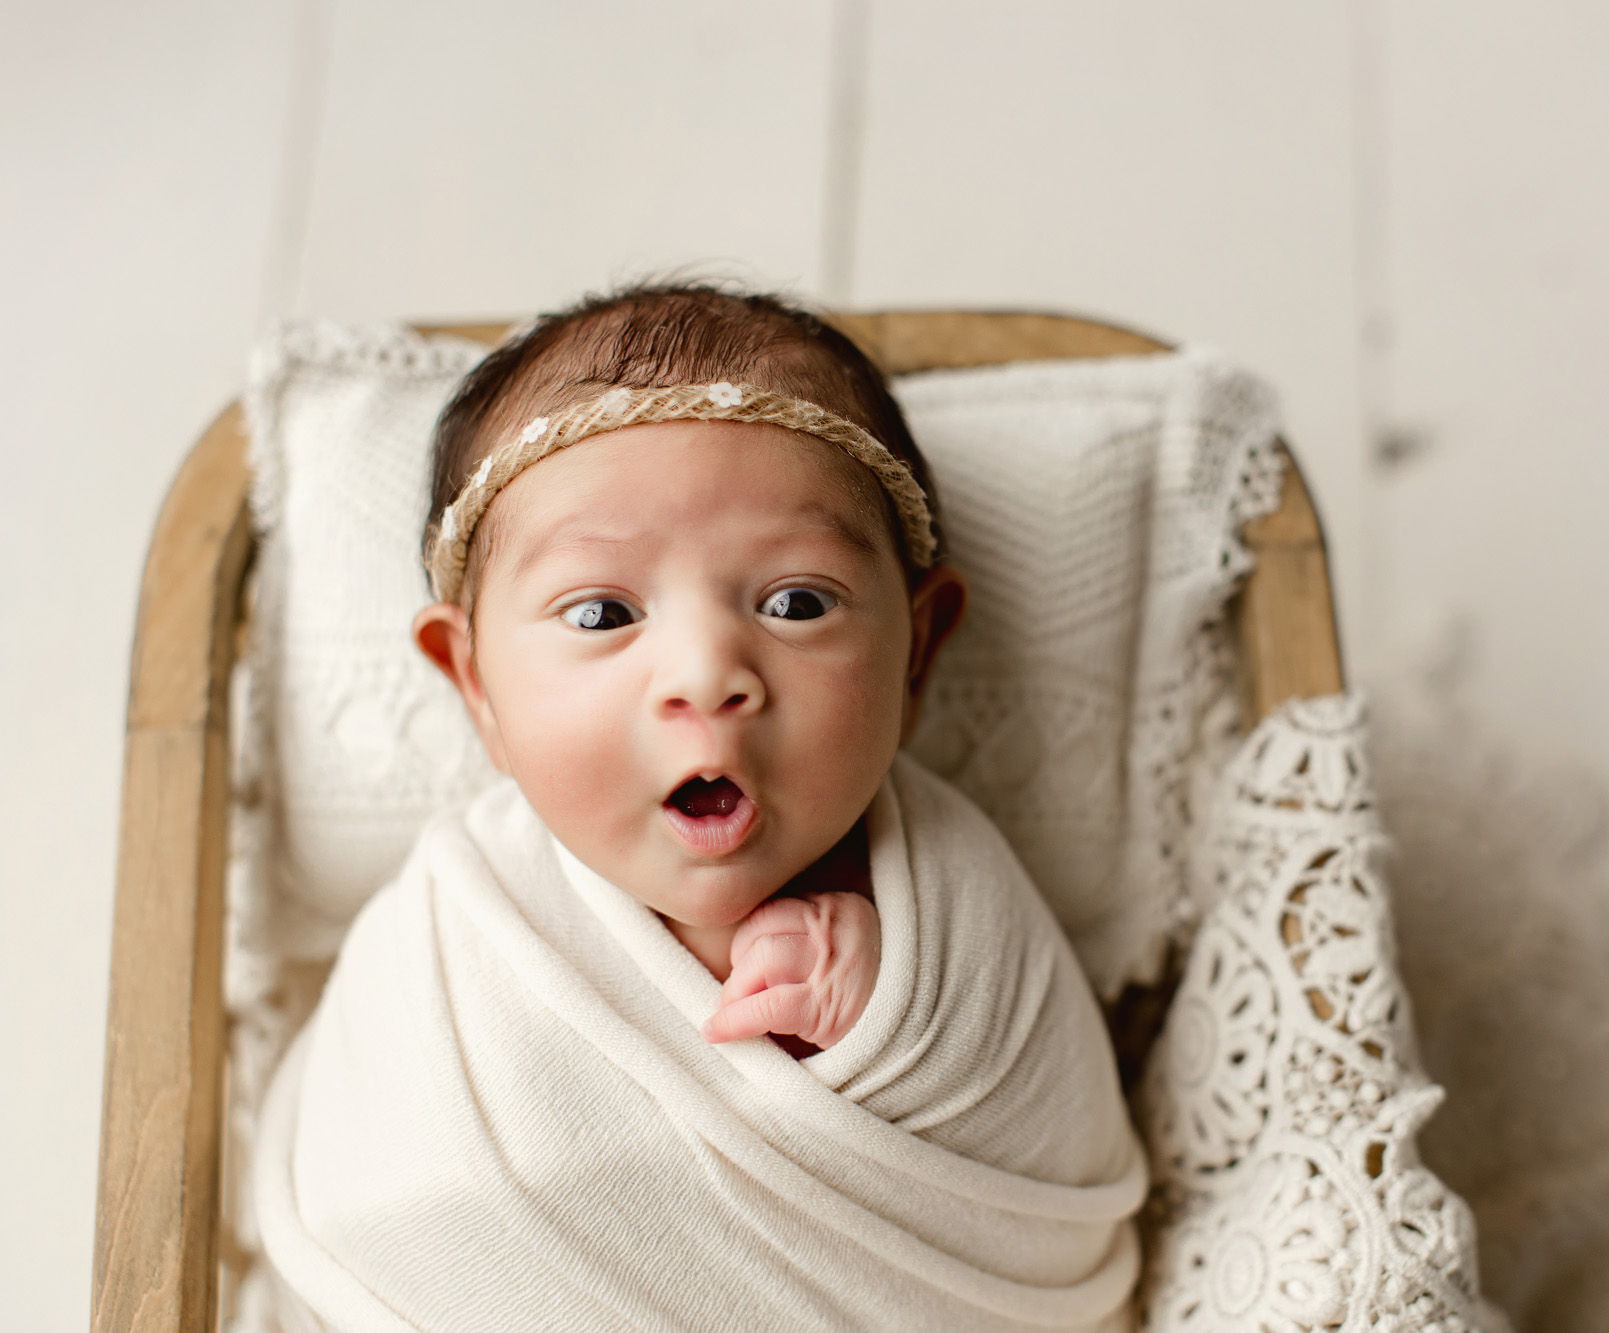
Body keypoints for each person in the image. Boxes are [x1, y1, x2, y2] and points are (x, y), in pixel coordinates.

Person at [246, 283, 1145, 1332]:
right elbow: (376, 1208)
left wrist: (888, 1021)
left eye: (796, 602)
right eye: (602, 612)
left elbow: (1044, 1181)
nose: (707, 673)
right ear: (474, 681)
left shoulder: (957, 920)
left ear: (919, 651)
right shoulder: (450, 944)